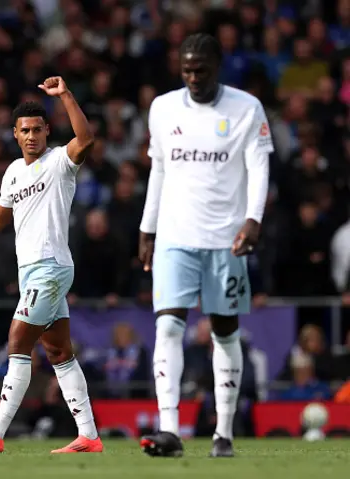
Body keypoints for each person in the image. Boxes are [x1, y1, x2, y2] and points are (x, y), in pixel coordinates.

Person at [0, 76, 103, 454]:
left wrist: (65, 95)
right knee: (59, 353)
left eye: (38, 130)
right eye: (25, 130)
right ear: (15, 134)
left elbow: (86, 140)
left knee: (16, 340)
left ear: (47, 131)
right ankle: (89, 436)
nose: (32, 136)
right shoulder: (12, 173)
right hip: (33, 270)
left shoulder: (59, 162)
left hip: (52, 267)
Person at [138, 33, 274, 458]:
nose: (194, 78)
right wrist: (148, 228)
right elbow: (158, 169)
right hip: (175, 237)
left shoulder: (246, 108)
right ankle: (170, 430)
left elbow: (259, 165)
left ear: (219, 66)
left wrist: (254, 219)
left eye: (202, 70)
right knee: (166, 326)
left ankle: (224, 433)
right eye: (187, 70)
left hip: (225, 240)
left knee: (224, 333)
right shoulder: (162, 108)